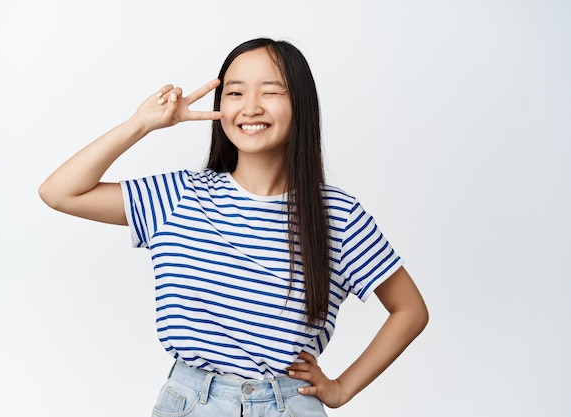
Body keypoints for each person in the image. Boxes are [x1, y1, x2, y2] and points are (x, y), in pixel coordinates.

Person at [39, 38, 428, 416]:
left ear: (301, 106)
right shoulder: (178, 195)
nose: (251, 107)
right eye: (236, 93)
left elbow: (409, 309)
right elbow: (60, 192)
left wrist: (342, 387)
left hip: (288, 404)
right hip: (191, 402)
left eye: (271, 92)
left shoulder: (336, 214)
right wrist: (140, 125)